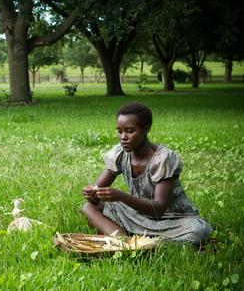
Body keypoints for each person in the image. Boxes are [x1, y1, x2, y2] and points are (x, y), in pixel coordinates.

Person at [81, 102, 212, 245]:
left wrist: (120, 196)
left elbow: (158, 209)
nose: (123, 137)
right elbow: (96, 192)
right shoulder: (120, 154)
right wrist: (92, 192)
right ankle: (126, 243)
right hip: (138, 215)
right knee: (89, 207)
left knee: (198, 231)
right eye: (119, 131)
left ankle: (132, 238)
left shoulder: (163, 159)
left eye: (130, 131)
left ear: (146, 128)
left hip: (173, 220)